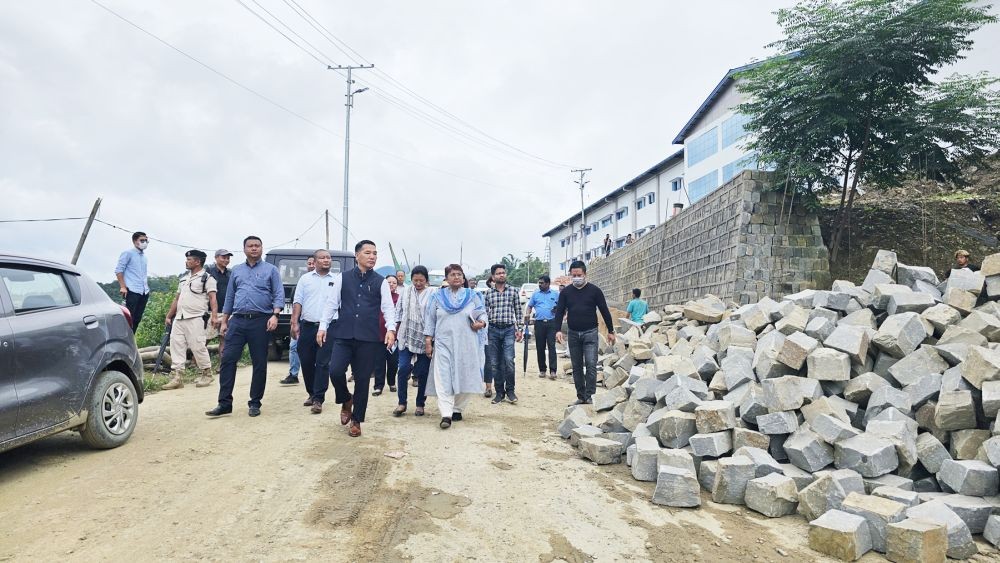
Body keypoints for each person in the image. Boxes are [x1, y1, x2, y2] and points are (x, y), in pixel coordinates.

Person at [317, 240, 398, 438]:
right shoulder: (342, 278)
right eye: (368, 252)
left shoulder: (380, 281)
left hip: (368, 338)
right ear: (357, 255)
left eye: (375, 253)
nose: (372, 256)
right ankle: (346, 399)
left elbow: (388, 308)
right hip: (343, 335)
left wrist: (391, 329)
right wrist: (322, 326)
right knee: (335, 371)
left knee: (362, 380)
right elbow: (331, 304)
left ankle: (357, 420)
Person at [206, 236, 284, 418]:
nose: (254, 249)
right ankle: (224, 403)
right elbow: (230, 297)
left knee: (259, 363)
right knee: (227, 359)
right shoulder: (237, 271)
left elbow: (278, 293)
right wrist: (224, 320)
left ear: (262, 248)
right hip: (238, 321)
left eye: (257, 246)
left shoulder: (271, 270)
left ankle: (255, 403)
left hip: (261, 320)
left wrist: (275, 315)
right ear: (245, 249)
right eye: (250, 246)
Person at [424, 264, 487, 429]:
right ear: (446, 278)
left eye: (459, 274)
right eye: (452, 274)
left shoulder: (473, 295)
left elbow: (482, 313)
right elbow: (430, 320)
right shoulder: (437, 297)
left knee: (465, 374)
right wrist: (428, 342)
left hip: (467, 343)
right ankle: (446, 413)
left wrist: (481, 323)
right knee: (443, 376)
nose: (457, 277)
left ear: (464, 277)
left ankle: (457, 408)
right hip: (444, 343)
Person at [554, 260, 616, 406]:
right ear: (570, 275)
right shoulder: (566, 292)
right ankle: (581, 396)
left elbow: (604, 311)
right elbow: (559, 312)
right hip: (573, 334)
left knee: (591, 364)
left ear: (585, 274)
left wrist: (611, 330)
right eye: (573, 275)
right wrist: (557, 330)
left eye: (579, 275)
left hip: (590, 333)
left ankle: (590, 396)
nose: (576, 278)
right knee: (576, 366)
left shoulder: (595, 291)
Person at [163, 250, 218, 390]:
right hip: (180, 317)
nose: (186, 262)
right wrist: (169, 315)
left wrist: (215, 317)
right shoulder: (184, 278)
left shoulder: (207, 278)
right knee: (177, 345)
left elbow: (213, 299)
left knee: (198, 346)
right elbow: (177, 299)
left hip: (196, 317)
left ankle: (206, 373)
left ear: (197, 261)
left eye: (189, 259)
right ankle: (177, 377)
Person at [290, 250, 336, 413]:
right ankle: (311, 392)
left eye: (328, 258)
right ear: (314, 261)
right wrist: (294, 322)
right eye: (322, 258)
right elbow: (298, 301)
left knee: (323, 363)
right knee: (307, 361)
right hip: (307, 326)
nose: (326, 260)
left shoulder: (337, 280)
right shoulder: (305, 279)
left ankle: (318, 398)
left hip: (329, 328)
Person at [392, 266, 436, 417]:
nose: (418, 283)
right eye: (415, 280)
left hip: (425, 338)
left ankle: (420, 404)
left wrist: (430, 338)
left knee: (423, 372)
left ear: (426, 280)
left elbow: (434, 315)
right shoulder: (406, 291)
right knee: (403, 368)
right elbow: (398, 311)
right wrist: (394, 331)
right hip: (405, 336)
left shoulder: (432, 293)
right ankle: (401, 403)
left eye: (421, 280)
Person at [484, 264, 523, 405]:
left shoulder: (513, 291)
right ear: (493, 277)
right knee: (494, 363)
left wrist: (520, 329)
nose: (501, 275)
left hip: (508, 330)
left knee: (509, 360)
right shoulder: (488, 294)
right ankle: (499, 392)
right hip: (493, 330)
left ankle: (510, 391)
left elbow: (518, 311)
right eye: (498, 273)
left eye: (503, 273)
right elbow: (484, 313)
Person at [282, 256, 315, 385]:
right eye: (309, 263)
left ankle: (316, 377)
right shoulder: (302, 281)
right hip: (301, 320)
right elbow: (295, 301)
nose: (311, 265)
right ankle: (293, 374)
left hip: (315, 322)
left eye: (313, 263)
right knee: (293, 346)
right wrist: (293, 321)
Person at [524, 275, 560, 381]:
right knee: (540, 347)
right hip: (539, 324)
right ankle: (542, 370)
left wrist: (557, 309)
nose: (540, 285)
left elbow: (562, 306)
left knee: (551, 347)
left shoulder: (555, 294)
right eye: (539, 283)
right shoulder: (536, 294)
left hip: (552, 323)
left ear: (548, 284)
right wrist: (527, 314)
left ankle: (553, 371)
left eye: (542, 283)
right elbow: (530, 306)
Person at [114, 231, 150, 331]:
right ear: (135, 241)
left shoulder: (144, 257)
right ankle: (123, 340)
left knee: (137, 319)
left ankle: (131, 341)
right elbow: (119, 270)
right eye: (142, 240)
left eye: (146, 240)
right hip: (132, 290)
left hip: (144, 291)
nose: (144, 242)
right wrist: (123, 286)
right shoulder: (128, 253)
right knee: (128, 318)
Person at [372, 275, 401, 397]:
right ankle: (378, 386)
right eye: (389, 282)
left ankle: (392, 382)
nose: (391, 285)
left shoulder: (399, 298)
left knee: (393, 361)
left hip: (394, 335)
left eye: (394, 283)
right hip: (378, 334)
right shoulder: (378, 298)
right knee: (379, 361)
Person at [206, 249, 233, 362]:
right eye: (223, 257)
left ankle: (222, 366)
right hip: (210, 312)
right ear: (216, 258)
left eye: (228, 258)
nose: (226, 260)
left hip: (226, 311)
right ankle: (196, 365)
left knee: (224, 340)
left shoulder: (230, 274)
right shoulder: (208, 272)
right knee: (204, 339)